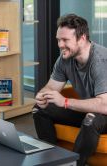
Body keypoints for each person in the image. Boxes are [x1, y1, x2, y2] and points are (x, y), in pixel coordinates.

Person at [32, 14, 107, 166]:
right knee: (39, 109)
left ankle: (75, 163)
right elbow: (51, 87)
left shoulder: (100, 61)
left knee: (90, 119)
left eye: (65, 40)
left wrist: (65, 101)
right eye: (58, 39)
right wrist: (42, 96)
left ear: (82, 38)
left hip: (103, 110)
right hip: (88, 108)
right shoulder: (65, 58)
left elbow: (104, 105)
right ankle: (52, 159)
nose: (60, 44)